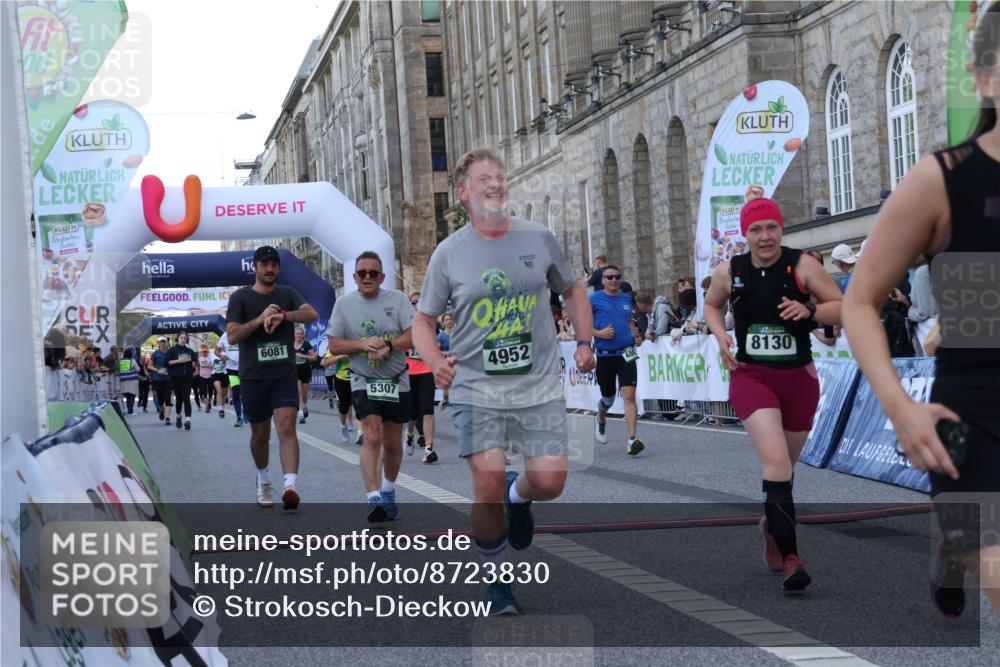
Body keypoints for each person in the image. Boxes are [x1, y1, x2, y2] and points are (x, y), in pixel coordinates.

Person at [842, 5, 999, 619]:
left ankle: (950, 547)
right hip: (972, 421)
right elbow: (859, 301)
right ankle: (956, 539)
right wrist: (898, 408)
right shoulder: (942, 180)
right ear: (982, 77)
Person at [412, 147, 595, 615]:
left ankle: (521, 498)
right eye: (484, 178)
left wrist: (584, 341)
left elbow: (571, 288)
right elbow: (422, 320)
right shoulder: (449, 253)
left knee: (550, 482)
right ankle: (497, 581)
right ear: (464, 192)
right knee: (487, 483)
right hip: (477, 386)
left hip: (537, 384)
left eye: (499, 176)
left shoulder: (539, 237)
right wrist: (435, 360)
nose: (495, 183)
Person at [704, 197, 842, 593]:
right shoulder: (730, 270)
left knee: (786, 469)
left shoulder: (802, 265)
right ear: (745, 235)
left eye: (771, 228)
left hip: (798, 377)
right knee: (777, 462)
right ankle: (793, 559)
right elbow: (712, 305)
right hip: (752, 377)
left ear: (781, 229)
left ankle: (772, 526)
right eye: (755, 230)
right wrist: (720, 334)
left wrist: (811, 311)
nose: (764, 237)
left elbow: (843, 308)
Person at [226, 245, 318, 510]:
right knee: (260, 434)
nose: (270, 269)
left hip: (283, 374)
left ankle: (290, 485)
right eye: (264, 264)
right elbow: (233, 335)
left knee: (287, 427)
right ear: (254, 267)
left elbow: (311, 313)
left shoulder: (286, 293)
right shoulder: (240, 298)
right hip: (254, 376)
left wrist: (284, 315)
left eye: (274, 264)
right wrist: (260, 319)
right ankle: (264, 479)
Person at [327, 251, 414, 522]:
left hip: (396, 378)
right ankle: (373, 497)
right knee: (372, 434)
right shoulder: (343, 304)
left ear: (382, 277)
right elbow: (334, 344)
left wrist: (388, 346)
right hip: (363, 378)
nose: (367, 278)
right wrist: (362, 344)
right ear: (354, 277)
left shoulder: (398, 299)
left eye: (373, 273)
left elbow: (414, 336)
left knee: (392, 442)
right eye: (362, 273)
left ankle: (388, 490)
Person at [590, 266, 645, 456]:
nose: (614, 279)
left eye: (617, 276)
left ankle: (632, 439)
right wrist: (598, 333)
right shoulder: (594, 299)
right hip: (605, 354)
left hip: (626, 352)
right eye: (610, 277)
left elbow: (629, 321)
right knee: (609, 398)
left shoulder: (625, 298)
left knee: (629, 394)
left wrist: (635, 334)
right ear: (603, 280)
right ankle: (601, 417)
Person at [404, 292, 438, 463]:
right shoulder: (404, 322)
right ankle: (409, 434)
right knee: (412, 413)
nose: (417, 304)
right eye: (413, 302)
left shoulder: (430, 321)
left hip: (426, 371)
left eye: (420, 301)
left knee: (428, 409)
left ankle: (429, 448)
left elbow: (436, 342)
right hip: (409, 372)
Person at [320, 349, 355, 441]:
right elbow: (324, 363)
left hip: (357, 377)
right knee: (345, 405)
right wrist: (341, 356)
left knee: (359, 404)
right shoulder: (336, 346)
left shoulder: (358, 340)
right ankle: (343, 426)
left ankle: (360, 431)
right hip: (341, 378)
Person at [166, 332, 197, 430]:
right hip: (175, 378)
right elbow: (167, 362)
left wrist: (193, 366)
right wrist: (178, 361)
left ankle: (188, 420)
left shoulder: (190, 351)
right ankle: (179, 416)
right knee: (179, 399)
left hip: (187, 377)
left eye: (185, 338)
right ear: (178, 338)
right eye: (181, 338)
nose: (183, 340)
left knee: (186, 397)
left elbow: (194, 362)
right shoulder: (172, 350)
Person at [216, 332, 246, 426]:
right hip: (232, 369)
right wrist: (221, 356)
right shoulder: (225, 335)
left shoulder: (243, 331)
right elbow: (216, 351)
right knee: (236, 394)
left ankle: (246, 413)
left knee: (245, 393)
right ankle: (239, 418)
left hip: (245, 368)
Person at [293, 326, 317, 424]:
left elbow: (314, 357)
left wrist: (302, 356)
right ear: (294, 335)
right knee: (298, 392)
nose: (299, 336)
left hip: (305, 371)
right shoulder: (290, 345)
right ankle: (301, 414)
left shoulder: (306, 344)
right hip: (294, 371)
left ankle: (304, 406)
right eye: (297, 334)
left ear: (303, 335)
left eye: (300, 334)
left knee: (304, 394)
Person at [147, 337, 173, 425]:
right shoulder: (155, 354)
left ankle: (168, 418)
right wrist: (158, 370)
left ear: (166, 343)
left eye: (164, 342)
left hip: (168, 379)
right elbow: (149, 366)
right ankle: (162, 410)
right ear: (158, 343)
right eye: (160, 342)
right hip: (158, 379)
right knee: (160, 400)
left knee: (168, 399)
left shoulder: (170, 353)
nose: (162, 343)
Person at [436, 312, 455, 405]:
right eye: (446, 320)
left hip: (458, 362)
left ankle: (458, 400)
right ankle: (445, 399)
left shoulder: (457, 334)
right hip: (446, 362)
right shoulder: (441, 336)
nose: (449, 321)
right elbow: (436, 351)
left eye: (450, 319)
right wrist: (446, 353)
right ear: (443, 322)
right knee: (447, 385)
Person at [210, 342, 229, 419]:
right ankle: (220, 409)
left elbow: (229, 363)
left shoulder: (225, 354)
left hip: (224, 374)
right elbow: (210, 366)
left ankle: (222, 407)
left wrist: (224, 361)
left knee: (224, 394)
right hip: (215, 374)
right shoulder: (211, 354)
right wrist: (212, 365)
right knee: (219, 391)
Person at [118, 348, 140, 415]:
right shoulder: (132, 361)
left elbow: (118, 370)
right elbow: (138, 369)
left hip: (123, 380)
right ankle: (130, 410)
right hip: (132, 380)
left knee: (127, 395)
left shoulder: (121, 361)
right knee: (132, 395)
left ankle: (129, 409)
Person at [196, 344, 214, 412]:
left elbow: (213, 367)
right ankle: (207, 407)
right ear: (202, 352)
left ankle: (209, 401)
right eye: (204, 351)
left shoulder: (211, 358)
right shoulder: (199, 358)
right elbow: (197, 366)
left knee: (210, 391)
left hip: (210, 376)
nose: (205, 352)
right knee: (204, 392)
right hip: (202, 376)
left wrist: (210, 366)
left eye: (206, 351)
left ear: (208, 352)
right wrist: (197, 371)